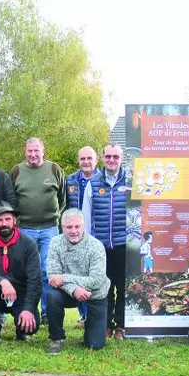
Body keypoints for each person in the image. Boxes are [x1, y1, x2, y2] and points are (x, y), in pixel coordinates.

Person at [9, 137, 65, 323]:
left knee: (47, 271)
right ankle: (29, 310)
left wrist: (55, 216)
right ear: (25, 151)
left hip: (50, 228)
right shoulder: (17, 171)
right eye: (30, 151)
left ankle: (48, 312)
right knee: (27, 271)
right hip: (25, 229)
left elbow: (63, 199)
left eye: (36, 151)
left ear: (43, 150)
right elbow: (11, 199)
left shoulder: (54, 169)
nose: (33, 154)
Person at [0, 202, 42, 345]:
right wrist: (2, 281)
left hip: (20, 294)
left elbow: (35, 278)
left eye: (7, 219)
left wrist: (29, 308)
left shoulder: (28, 244)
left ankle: (21, 330)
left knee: (30, 328)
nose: (4, 223)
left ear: (14, 221)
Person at [45, 209, 109, 354]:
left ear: (83, 226)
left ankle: (91, 325)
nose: (73, 231)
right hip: (67, 293)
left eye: (77, 226)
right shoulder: (55, 243)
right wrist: (75, 289)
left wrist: (65, 278)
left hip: (95, 294)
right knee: (51, 295)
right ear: (62, 228)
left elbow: (97, 280)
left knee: (95, 345)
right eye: (69, 227)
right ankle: (56, 338)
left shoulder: (96, 246)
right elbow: (53, 277)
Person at [82, 143, 128, 339]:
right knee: (105, 287)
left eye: (115, 157)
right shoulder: (93, 182)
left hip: (124, 244)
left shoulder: (131, 181)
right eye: (108, 156)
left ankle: (121, 326)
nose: (112, 160)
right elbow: (85, 215)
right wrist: (87, 242)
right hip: (100, 245)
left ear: (121, 159)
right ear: (102, 158)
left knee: (124, 286)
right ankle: (107, 325)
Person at [65, 146, 99, 326]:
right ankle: (83, 315)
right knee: (77, 273)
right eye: (82, 159)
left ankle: (95, 315)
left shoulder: (101, 180)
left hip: (97, 235)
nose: (86, 162)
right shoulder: (70, 180)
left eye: (89, 158)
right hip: (75, 236)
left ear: (96, 159)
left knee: (94, 275)